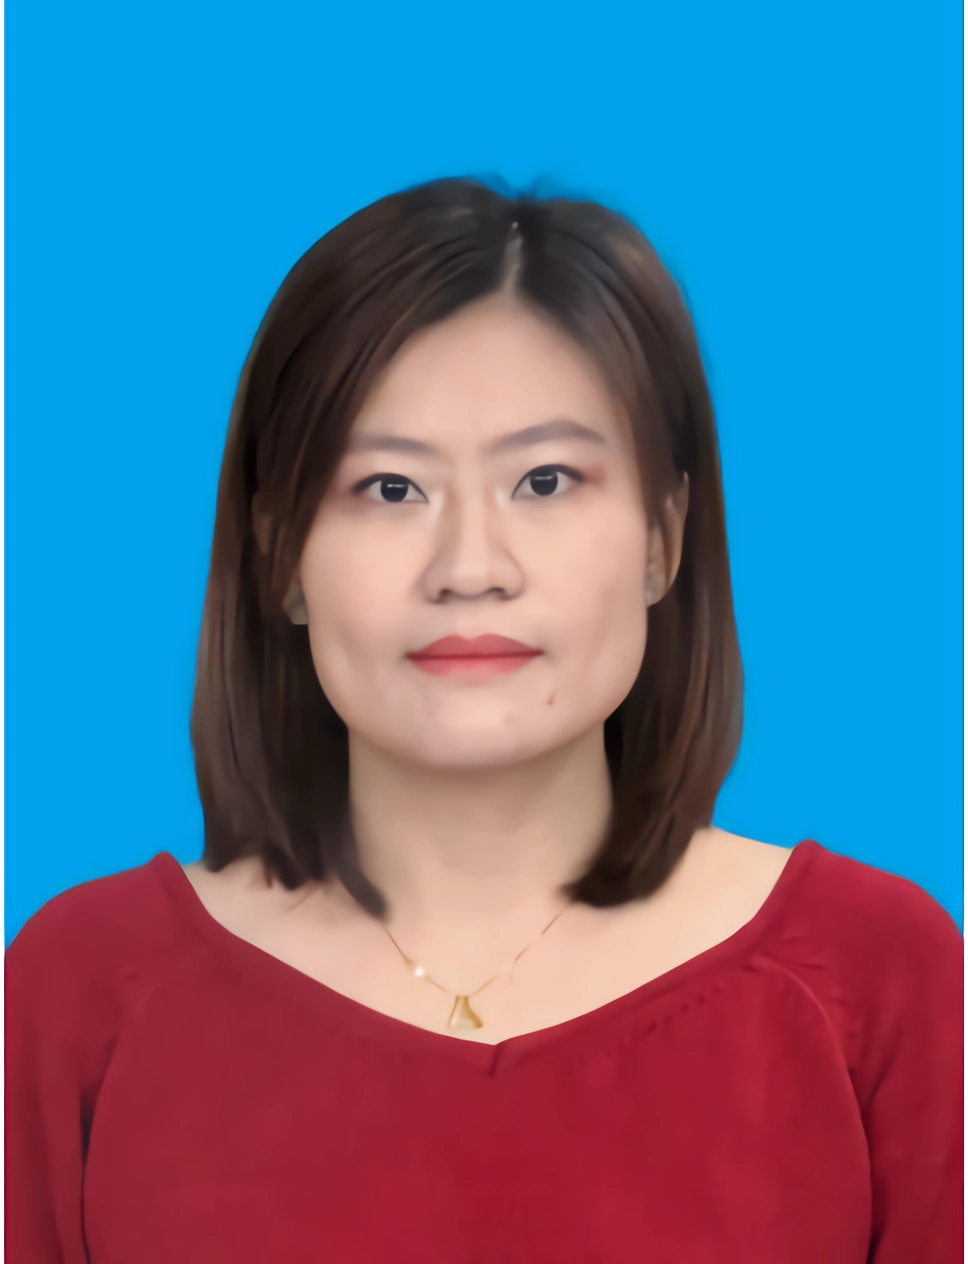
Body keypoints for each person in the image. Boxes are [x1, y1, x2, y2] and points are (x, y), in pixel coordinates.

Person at [5, 178, 962, 1263]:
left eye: (545, 480)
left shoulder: (878, 981)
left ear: (663, 537)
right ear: (281, 558)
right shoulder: (82, 994)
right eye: (389, 488)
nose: (469, 567)